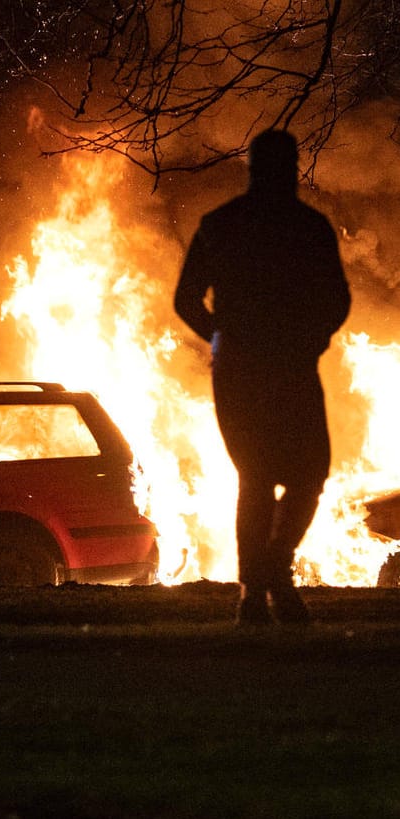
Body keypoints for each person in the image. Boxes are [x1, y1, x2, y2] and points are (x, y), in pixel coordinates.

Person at [174, 129, 351, 626]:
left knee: (279, 478)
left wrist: (218, 337)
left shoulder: (225, 224)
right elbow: (337, 300)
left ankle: (264, 580)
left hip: (253, 369)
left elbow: (187, 299)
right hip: (277, 368)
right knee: (291, 476)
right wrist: (310, 337)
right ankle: (266, 585)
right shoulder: (303, 226)